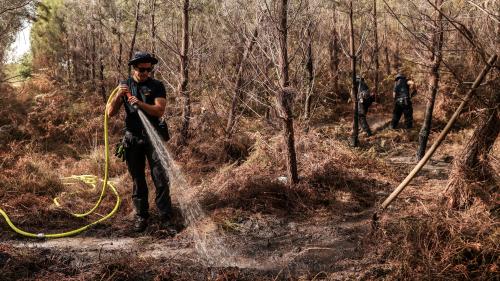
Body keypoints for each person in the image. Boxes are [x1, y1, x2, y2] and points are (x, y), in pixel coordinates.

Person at [107, 51, 174, 233]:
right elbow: (110, 113)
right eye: (141, 69)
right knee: (137, 179)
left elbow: (159, 110)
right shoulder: (124, 86)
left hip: (154, 138)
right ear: (134, 68)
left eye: (148, 69)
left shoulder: (157, 85)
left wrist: (140, 104)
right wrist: (118, 97)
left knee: (160, 178)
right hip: (133, 138)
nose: (145, 72)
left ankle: (166, 218)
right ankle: (141, 216)